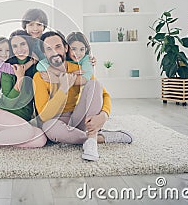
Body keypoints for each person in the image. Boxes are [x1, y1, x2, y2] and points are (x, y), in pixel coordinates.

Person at [33, 31, 132, 161]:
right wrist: (64, 87)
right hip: (55, 121)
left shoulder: (79, 68)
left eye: (58, 47)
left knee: (95, 84)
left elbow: (103, 94)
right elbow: (45, 116)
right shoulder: (40, 76)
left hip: (77, 118)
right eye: (49, 49)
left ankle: (90, 140)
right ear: (44, 53)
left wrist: (104, 115)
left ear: (65, 48)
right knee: (48, 127)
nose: (54, 52)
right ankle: (97, 137)